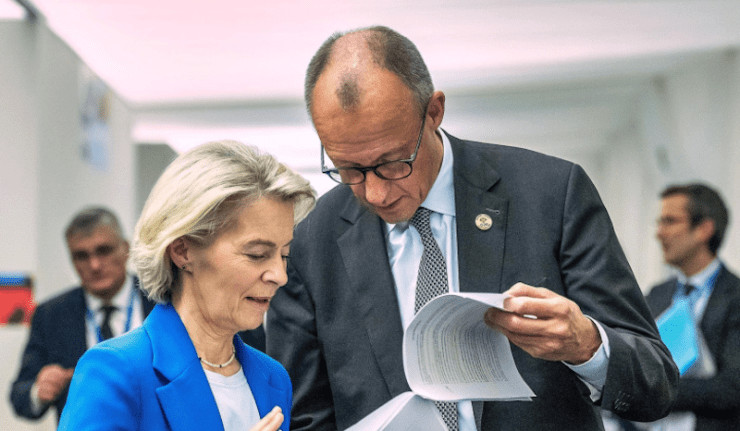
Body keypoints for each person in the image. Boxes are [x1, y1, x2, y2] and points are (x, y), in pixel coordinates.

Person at [266, 25, 679, 430]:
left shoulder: (550, 194)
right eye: (348, 169)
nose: (375, 193)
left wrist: (586, 345)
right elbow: (303, 416)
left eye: (393, 163)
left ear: (434, 112)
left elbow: (655, 383)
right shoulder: (311, 241)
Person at [57, 140, 315, 431]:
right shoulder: (116, 371)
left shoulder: (273, 378)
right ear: (182, 251)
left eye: (284, 255)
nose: (279, 275)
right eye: (257, 254)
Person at [9, 207, 155, 421]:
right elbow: (20, 395)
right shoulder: (51, 315)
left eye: (103, 251)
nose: (94, 265)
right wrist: (39, 390)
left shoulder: (163, 300)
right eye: (81, 256)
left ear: (125, 249)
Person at [646, 183, 740, 430]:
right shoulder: (656, 295)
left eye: (669, 221)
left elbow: (732, 387)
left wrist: (654, 389)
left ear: (703, 229)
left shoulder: (735, 297)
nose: (659, 233)